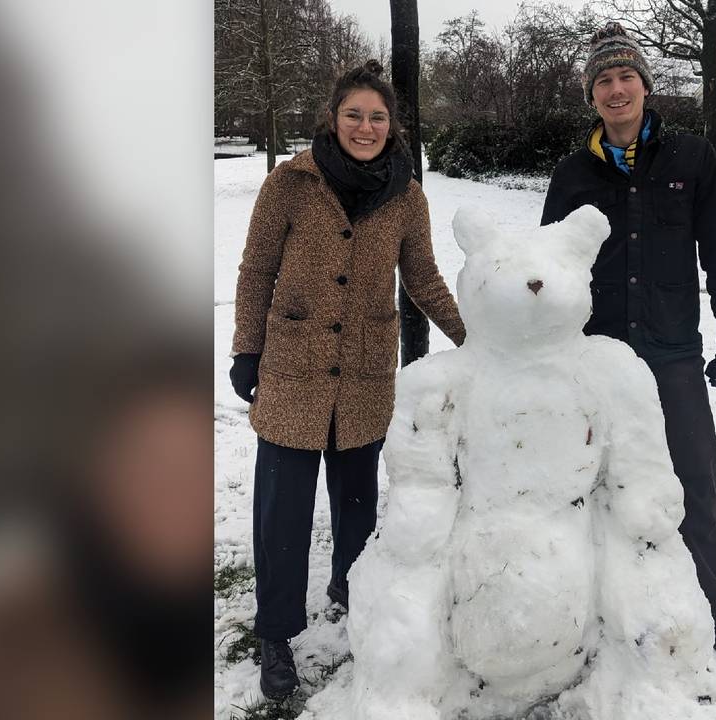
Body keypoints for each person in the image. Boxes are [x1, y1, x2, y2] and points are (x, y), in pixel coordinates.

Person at [229, 60, 466, 700]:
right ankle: (277, 633)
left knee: (358, 506)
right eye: (354, 114)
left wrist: (477, 339)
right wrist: (246, 349)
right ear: (333, 119)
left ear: (394, 126)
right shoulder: (290, 183)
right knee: (282, 513)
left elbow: (423, 278)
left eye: (378, 117)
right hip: (292, 370)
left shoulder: (406, 193)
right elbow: (256, 271)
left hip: (363, 375)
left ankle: (352, 591)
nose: (366, 127)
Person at [540, 23, 716, 660]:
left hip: (672, 352)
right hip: (596, 356)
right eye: (602, 80)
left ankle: (713, 608)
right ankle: (591, 610)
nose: (615, 89)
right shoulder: (573, 172)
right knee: (588, 482)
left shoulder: (692, 158)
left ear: (644, 85)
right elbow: (549, 270)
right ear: (591, 96)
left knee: (693, 480)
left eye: (625, 76)